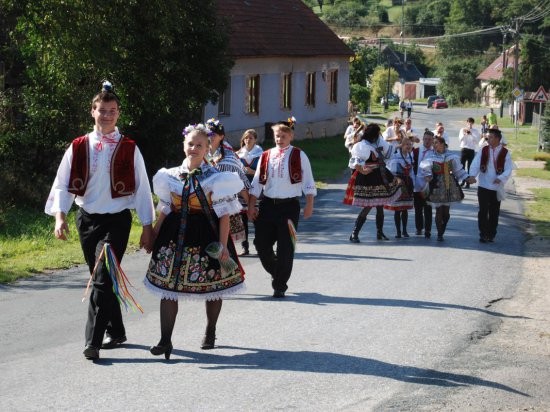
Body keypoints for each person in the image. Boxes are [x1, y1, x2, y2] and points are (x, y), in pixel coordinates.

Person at [45, 81, 155, 361]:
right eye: (102, 110)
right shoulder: (79, 145)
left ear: (118, 114)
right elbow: (63, 183)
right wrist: (60, 217)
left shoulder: (129, 147)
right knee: (101, 279)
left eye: (112, 111)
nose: (107, 115)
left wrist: (147, 226)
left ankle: (91, 341)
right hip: (87, 220)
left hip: (117, 222)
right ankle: (116, 330)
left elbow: (142, 188)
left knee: (102, 279)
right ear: (92, 112)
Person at [144, 124, 245, 358]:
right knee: (168, 288)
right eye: (190, 144)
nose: (194, 148)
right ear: (183, 145)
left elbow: (224, 215)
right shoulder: (168, 176)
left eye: (199, 145)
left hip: (206, 234)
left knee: (212, 286)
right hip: (174, 235)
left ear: (207, 148)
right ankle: (165, 340)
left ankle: (210, 330)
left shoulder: (217, 178)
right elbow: (167, 207)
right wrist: (154, 233)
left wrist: (221, 245)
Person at [248, 119, 316, 298]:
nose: (279, 139)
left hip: (289, 207)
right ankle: (276, 270)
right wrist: (251, 205)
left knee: (286, 247)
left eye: (283, 136)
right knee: (261, 244)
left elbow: (308, 181)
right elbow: (256, 182)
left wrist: (309, 204)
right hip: (267, 205)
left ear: (291, 136)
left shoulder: (299, 155)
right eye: (277, 135)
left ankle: (279, 285)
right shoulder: (266, 155)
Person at [344, 123, 401, 242]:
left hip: (380, 175)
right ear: (374, 135)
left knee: (380, 205)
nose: (379, 136)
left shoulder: (378, 141)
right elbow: (356, 163)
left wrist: (401, 142)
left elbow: (389, 151)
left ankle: (379, 232)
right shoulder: (361, 145)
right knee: (368, 205)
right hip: (368, 177)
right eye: (377, 134)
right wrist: (363, 171)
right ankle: (354, 233)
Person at [419, 136, 474, 241]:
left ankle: (443, 227)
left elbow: (458, 170)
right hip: (436, 185)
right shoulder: (430, 156)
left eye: (436, 143)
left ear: (443, 144)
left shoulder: (451, 156)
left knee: (446, 213)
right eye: (433, 143)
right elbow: (426, 168)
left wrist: (467, 178)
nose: (434, 145)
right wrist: (428, 175)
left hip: (449, 184)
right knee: (439, 210)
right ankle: (440, 234)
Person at [205, 118, 250, 245]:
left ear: (221, 136)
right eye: (207, 134)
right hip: (203, 205)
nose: (209, 137)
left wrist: (250, 205)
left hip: (222, 207)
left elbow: (240, 182)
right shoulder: (201, 153)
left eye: (212, 134)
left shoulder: (229, 157)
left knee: (223, 245)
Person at [468, 128, 512, 243]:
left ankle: (491, 233)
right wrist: (472, 175)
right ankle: (483, 234)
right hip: (483, 184)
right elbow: (476, 163)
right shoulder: (484, 150)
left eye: (491, 137)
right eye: (488, 137)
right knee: (483, 210)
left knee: (494, 211)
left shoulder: (505, 152)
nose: (488, 139)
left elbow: (508, 169)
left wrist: (501, 178)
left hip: (496, 186)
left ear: (497, 138)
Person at [236, 129, 263, 255]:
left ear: (255, 140)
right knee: (242, 220)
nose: (247, 140)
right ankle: (244, 247)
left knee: (257, 219)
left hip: (256, 188)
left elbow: (264, 172)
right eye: (246, 138)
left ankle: (259, 246)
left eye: (250, 138)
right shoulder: (238, 154)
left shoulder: (261, 154)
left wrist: (252, 172)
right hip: (241, 189)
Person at [385, 138, 415, 238]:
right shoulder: (395, 156)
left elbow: (412, 173)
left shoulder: (411, 156)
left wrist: (413, 184)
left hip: (407, 183)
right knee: (398, 209)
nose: (409, 146)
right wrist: (397, 179)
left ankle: (405, 230)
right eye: (406, 144)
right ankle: (398, 231)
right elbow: (391, 171)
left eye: (410, 144)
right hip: (398, 182)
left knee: (405, 208)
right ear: (401, 145)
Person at [412, 130, 435, 238]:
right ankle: (419, 228)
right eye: (425, 139)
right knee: (418, 208)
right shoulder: (416, 151)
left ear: (432, 140)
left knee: (428, 208)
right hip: (417, 184)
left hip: (429, 185)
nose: (427, 141)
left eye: (429, 139)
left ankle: (428, 229)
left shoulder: (435, 153)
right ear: (422, 139)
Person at [458, 117, 481, 188]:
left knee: (470, 167)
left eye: (471, 122)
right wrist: (465, 134)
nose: (470, 124)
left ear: (473, 123)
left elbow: (477, 141)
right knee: (462, 166)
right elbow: (460, 139)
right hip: (464, 149)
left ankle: (468, 182)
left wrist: (471, 134)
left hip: (471, 150)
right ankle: (463, 181)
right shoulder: (462, 130)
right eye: (468, 122)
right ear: (467, 122)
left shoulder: (475, 131)